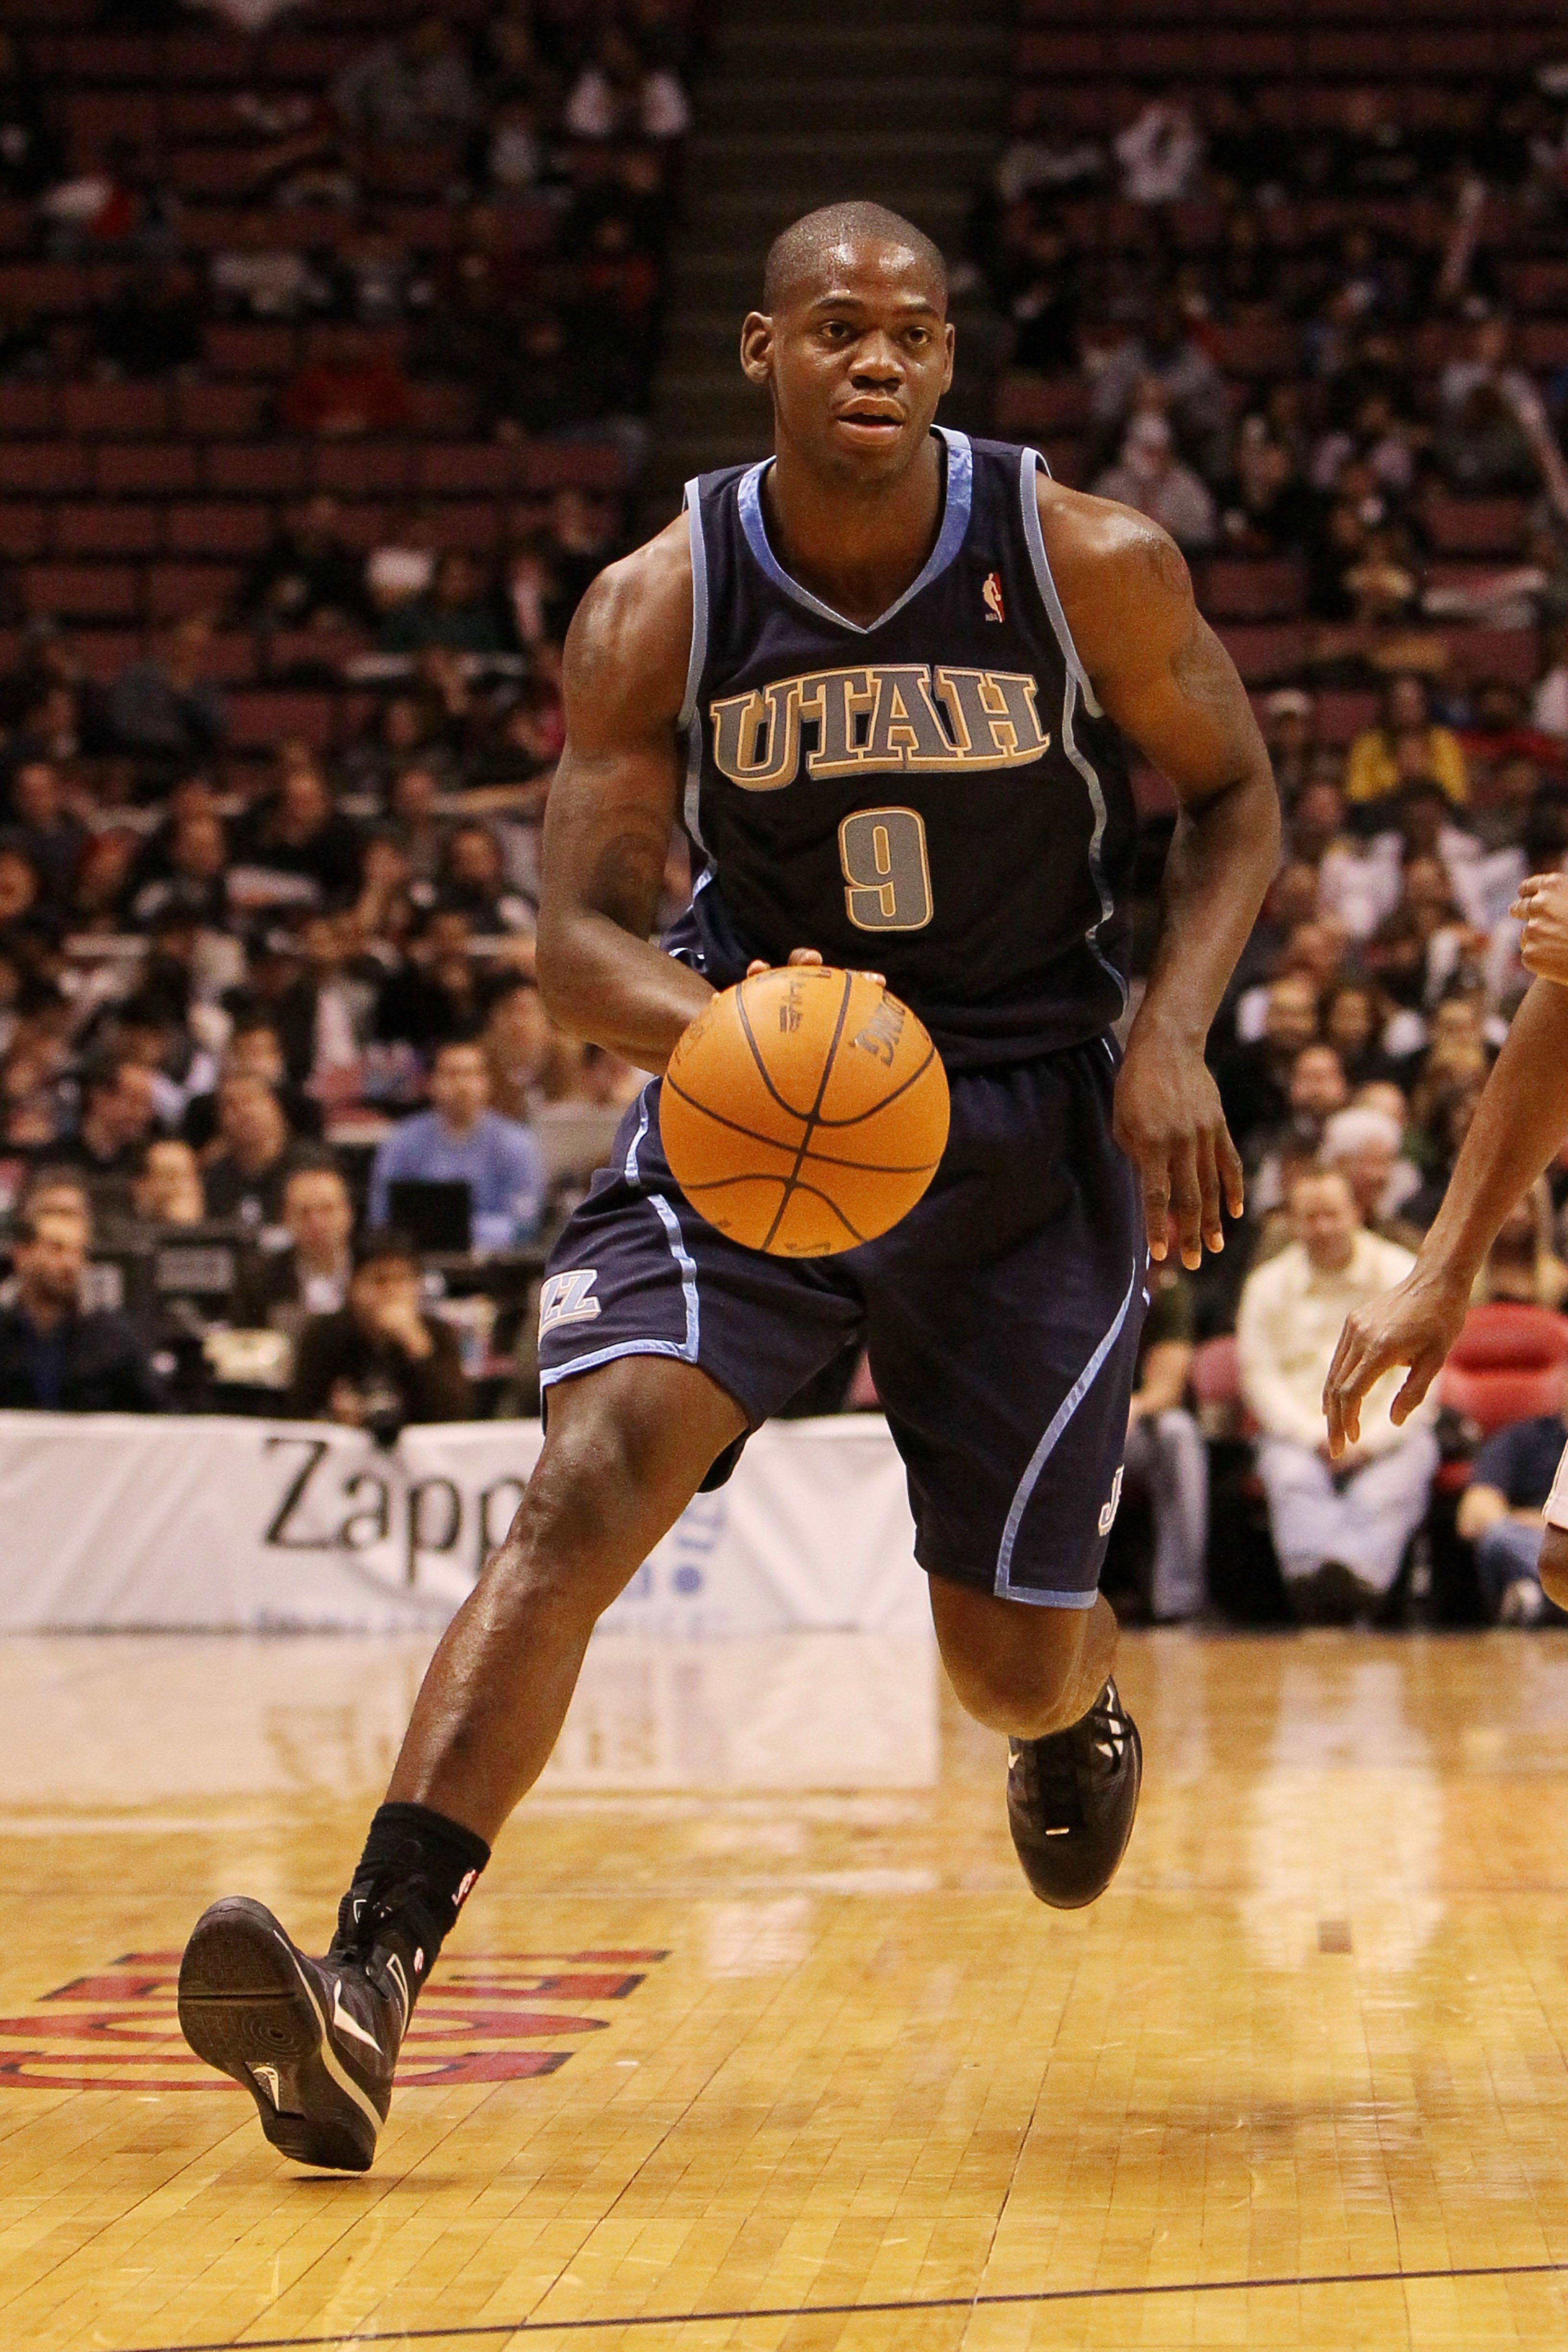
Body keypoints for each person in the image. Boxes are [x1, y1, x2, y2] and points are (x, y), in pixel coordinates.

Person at [177, 200, 1279, 2172]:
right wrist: (740, 1041)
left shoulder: (1085, 557)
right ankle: (364, 1985)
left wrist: (1178, 1033)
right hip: (765, 1095)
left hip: (1028, 1120)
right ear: (758, 352)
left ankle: (1075, 1708)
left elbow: (1243, 795)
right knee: (584, 1486)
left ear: (950, 364)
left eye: (918, 335)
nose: (881, 360)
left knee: (999, 1655)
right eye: (840, 328)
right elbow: (577, 943)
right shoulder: (658, 601)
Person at [1238, 1164, 1438, 1623]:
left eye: (1332, 1214)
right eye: (1310, 1217)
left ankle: (1350, 1583)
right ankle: (1321, 1585)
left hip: (1390, 1431)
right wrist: (1319, 1437)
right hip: (1298, 1434)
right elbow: (1261, 1380)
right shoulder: (1265, 1285)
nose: (1322, 1227)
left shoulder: (1402, 1274)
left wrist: (1366, 1441)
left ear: (1357, 1213)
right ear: (1290, 1221)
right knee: (1292, 1479)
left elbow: (1422, 1378)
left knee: (1384, 1489)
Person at [286, 1228, 471, 1429]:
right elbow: (299, 1415)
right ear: (353, 1286)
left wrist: (417, 1346)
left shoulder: (437, 1333)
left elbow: (456, 1417)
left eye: (402, 1280)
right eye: (379, 1280)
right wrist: (334, 1417)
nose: (391, 1292)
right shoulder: (325, 1335)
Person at [368, 1039, 545, 1248]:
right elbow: (381, 1215)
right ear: (431, 1083)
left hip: (494, 1266)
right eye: (451, 1074)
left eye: (471, 1074)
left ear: (487, 1082)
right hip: (417, 1259)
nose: (462, 1085)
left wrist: (460, 1230)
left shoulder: (516, 1143)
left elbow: (525, 1223)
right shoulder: (403, 1141)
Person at [0, 1204, 164, 1411]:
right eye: (56, 1249)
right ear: (22, 1256)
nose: (70, 1264)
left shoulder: (113, 1339)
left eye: (78, 1252)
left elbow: (162, 1418)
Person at [1120, 1267, 1207, 1621]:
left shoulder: (1167, 1288)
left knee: (1179, 1433)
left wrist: (1131, 1406)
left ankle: (1179, 1600)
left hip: (1127, 1431)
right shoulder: (1064, 1277)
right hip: (1061, 1426)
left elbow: (1166, 1390)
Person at [1457, 1372, 1568, 1626]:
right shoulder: (1520, 1439)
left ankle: (1535, 1599)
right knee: (1497, 1536)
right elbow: (1473, 1517)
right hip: (1535, 1541)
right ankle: (1540, 1601)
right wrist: (1552, 1525)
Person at [235, 1161, 355, 1336]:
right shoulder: (259, 1279)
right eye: (304, 1212)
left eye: (327, 1210)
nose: (317, 1224)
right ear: (286, 1219)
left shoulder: (372, 1271)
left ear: (348, 1213)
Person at [201, 1074, 306, 1227]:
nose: (243, 1112)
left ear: (275, 1106)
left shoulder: (308, 1167)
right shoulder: (213, 1178)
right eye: (231, 1105)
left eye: (251, 1100)